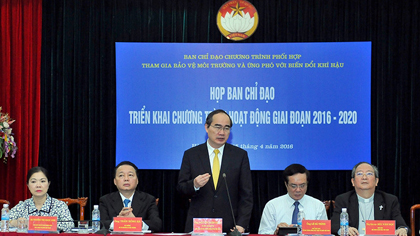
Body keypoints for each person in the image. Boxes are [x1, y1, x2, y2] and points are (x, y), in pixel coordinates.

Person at [177, 109, 253, 233]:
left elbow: (246, 195)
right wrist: (194, 185)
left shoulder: (239, 156)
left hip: (229, 227)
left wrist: (241, 224)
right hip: (199, 227)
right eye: (217, 127)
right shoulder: (191, 155)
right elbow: (181, 189)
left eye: (226, 128)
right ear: (207, 127)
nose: (222, 132)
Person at [331, 162, 410, 236]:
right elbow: (333, 225)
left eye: (369, 173)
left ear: (376, 181)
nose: (364, 177)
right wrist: (344, 230)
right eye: (359, 174)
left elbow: (402, 226)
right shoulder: (343, 199)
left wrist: (402, 229)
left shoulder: (389, 200)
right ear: (353, 182)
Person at [258, 164, 328, 234]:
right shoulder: (272, 205)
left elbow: (324, 234)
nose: (298, 190)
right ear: (286, 184)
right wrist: (276, 233)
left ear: (307, 184)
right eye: (293, 186)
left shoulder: (318, 205)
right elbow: (263, 233)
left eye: (302, 185)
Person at [99, 161, 162, 232]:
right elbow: (101, 223)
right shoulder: (105, 200)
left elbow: (157, 224)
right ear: (115, 181)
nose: (126, 179)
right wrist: (119, 222)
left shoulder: (148, 199)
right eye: (121, 175)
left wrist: (135, 222)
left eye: (130, 175)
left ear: (137, 180)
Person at [9, 166, 74, 232]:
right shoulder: (22, 206)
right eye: (33, 181)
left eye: (42, 181)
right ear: (28, 185)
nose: (38, 185)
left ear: (48, 184)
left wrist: (38, 224)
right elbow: (2, 224)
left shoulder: (59, 206)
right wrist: (15, 222)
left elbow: (69, 225)